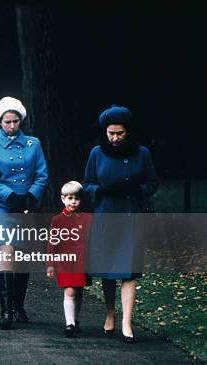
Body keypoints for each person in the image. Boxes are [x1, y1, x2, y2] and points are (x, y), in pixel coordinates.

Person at [83, 105, 158, 343]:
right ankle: (109, 313)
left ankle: (127, 321)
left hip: (130, 216)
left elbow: (153, 182)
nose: (115, 138)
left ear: (127, 132)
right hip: (106, 215)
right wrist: (100, 190)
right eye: (111, 133)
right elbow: (87, 183)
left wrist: (138, 189)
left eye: (119, 133)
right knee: (108, 273)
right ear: (105, 132)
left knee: (128, 273)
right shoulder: (96, 153)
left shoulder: (142, 153)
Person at [0, 96, 48, 329]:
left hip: (27, 205)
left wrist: (30, 197)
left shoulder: (34, 143)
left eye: (15, 121)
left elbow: (42, 175)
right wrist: (11, 197)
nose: (11, 126)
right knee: (7, 254)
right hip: (3, 207)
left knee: (22, 258)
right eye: (7, 122)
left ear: (21, 120)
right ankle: (6, 310)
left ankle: (19, 305)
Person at [46, 181, 92, 338]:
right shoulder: (57, 220)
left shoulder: (87, 219)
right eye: (70, 198)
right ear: (63, 199)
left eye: (77, 198)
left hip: (82, 261)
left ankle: (75, 319)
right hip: (64, 261)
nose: (73, 201)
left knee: (78, 291)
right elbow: (53, 242)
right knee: (70, 291)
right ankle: (69, 323)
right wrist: (50, 264)